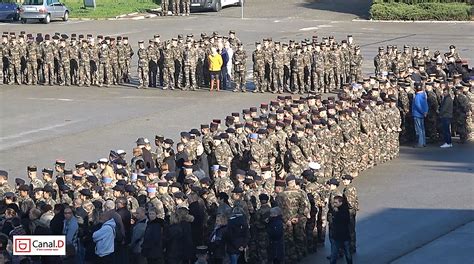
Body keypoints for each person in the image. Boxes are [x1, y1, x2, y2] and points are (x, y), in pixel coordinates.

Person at [329, 196, 352, 264]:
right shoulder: (335, 210)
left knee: (348, 254)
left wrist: (336, 214)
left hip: (344, 235)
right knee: (334, 255)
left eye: (336, 202)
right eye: (334, 202)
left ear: (341, 203)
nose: (334, 204)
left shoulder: (344, 211)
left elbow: (345, 221)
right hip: (336, 236)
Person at [412, 83, 429, 147]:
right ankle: (423, 142)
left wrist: (422, 112)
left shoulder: (417, 96)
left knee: (419, 129)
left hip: (417, 114)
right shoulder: (424, 95)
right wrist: (425, 112)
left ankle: (420, 143)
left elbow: (417, 105)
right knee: (422, 128)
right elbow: (426, 104)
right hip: (423, 114)